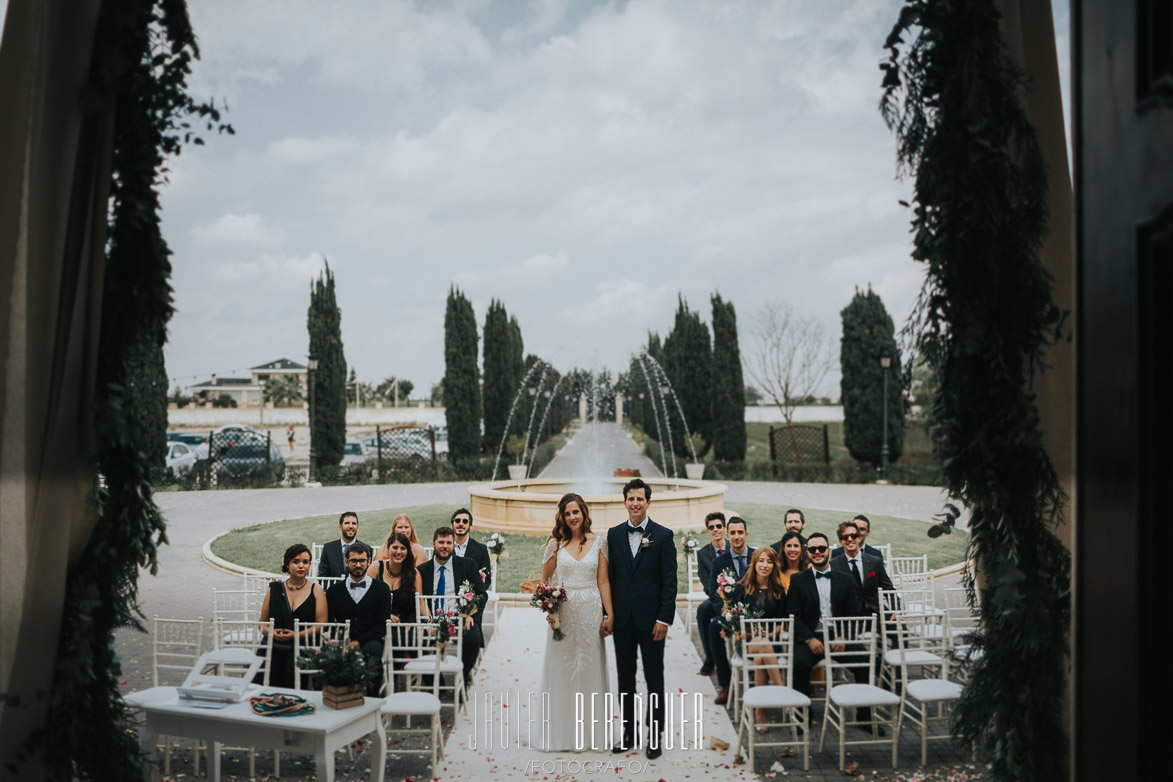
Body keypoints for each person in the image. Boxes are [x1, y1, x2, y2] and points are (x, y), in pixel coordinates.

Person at [536, 493, 614, 752]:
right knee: (563, 667)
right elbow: (545, 582)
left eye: (576, 512)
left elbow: (603, 581)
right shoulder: (555, 545)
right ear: (562, 516)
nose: (572, 517)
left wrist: (608, 614)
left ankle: (592, 734)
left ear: (584, 513)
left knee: (590, 666)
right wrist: (550, 609)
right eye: (568, 513)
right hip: (564, 613)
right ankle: (562, 733)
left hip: (591, 609)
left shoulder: (600, 542)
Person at [606, 478, 676, 759]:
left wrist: (664, 619)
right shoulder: (613, 535)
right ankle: (628, 733)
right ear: (625, 502)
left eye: (640, 499)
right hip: (622, 619)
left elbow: (670, 582)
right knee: (625, 678)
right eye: (630, 498)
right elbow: (608, 579)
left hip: (652, 622)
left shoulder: (663, 535)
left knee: (654, 678)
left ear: (649, 502)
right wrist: (607, 614)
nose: (635, 503)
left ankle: (654, 736)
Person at [786, 533, 866, 700]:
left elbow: (854, 613)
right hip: (811, 636)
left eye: (821, 548)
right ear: (807, 552)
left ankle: (863, 714)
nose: (817, 552)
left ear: (828, 550)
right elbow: (793, 615)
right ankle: (803, 715)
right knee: (798, 665)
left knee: (864, 660)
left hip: (838, 635)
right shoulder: (797, 580)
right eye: (812, 549)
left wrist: (842, 636)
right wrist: (809, 639)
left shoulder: (846, 579)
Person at [718, 547, 789, 731]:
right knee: (761, 646)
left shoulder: (779, 590)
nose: (765, 565)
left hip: (772, 643)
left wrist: (771, 633)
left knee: (760, 657)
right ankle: (782, 691)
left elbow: (783, 622)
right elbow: (733, 619)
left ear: (774, 566)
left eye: (769, 562)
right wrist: (750, 632)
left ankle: (759, 712)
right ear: (754, 563)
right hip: (746, 642)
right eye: (761, 561)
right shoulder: (741, 588)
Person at [417, 526, 486, 686]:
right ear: (433, 543)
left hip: (460, 617)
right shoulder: (422, 570)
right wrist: (428, 622)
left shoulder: (468, 565)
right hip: (431, 618)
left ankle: (462, 675)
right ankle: (436, 683)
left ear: (454, 544)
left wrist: (472, 615)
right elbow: (419, 598)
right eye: (441, 542)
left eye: (448, 542)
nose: (444, 546)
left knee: (473, 639)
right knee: (416, 640)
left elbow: (481, 593)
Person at [258, 543, 328, 688]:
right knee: (268, 665)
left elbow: (321, 625)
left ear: (309, 565)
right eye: (296, 562)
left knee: (292, 667)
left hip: (304, 645)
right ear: (287, 565)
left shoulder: (317, 590)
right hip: (275, 644)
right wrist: (270, 632)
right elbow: (262, 622)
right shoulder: (274, 589)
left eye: (305, 562)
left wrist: (295, 635)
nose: (301, 566)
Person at [325, 542, 391, 692]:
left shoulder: (381, 589)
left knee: (373, 653)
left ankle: (371, 701)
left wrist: (357, 643)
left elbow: (382, 625)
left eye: (362, 560)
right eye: (354, 561)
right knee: (330, 656)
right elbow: (330, 621)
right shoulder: (334, 591)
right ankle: (339, 696)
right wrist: (339, 641)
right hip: (342, 640)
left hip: (371, 639)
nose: (358, 565)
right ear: (346, 562)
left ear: (369, 562)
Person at [705, 516, 753, 705]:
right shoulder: (719, 562)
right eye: (732, 533)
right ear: (727, 534)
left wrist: (749, 614)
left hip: (754, 615)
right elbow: (713, 594)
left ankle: (759, 679)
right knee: (714, 627)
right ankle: (724, 684)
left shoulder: (757, 557)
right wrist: (726, 613)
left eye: (740, 532)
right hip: (729, 614)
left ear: (746, 534)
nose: (736, 536)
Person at [830, 520, 894, 616]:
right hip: (848, 616)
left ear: (859, 538)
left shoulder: (874, 562)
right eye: (845, 537)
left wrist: (896, 611)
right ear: (841, 541)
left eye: (853, 536)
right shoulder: (833, 565)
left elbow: (888, 589)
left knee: (902, 629)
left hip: (875, 612)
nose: (850, 539)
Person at [696, 512, 726, 676]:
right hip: (715, 599)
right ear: (708, 531)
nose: (715, 530)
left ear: (724, 528)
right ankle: (710, 658)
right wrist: (721, 601)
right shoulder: (703, 554)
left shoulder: (734, 548)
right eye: (711, 527)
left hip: (736, 599)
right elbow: (707, 584)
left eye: (718, 526)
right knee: (702, 611)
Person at [451, 508, 492, 590]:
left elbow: (486, 578)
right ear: (452, 524)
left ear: (470, 526)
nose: (461, 524)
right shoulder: (443, 548)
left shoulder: (481, 549)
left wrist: (474, 596)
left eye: (465, 521)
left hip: (471, 599)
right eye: (457, 521)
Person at [317, 511, 365, 578]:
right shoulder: (328, 548)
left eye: (354, 523)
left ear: (357, 527)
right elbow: (322, 576)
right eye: (347, 523)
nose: (351, 526)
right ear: (340, 527)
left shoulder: (366, 549)